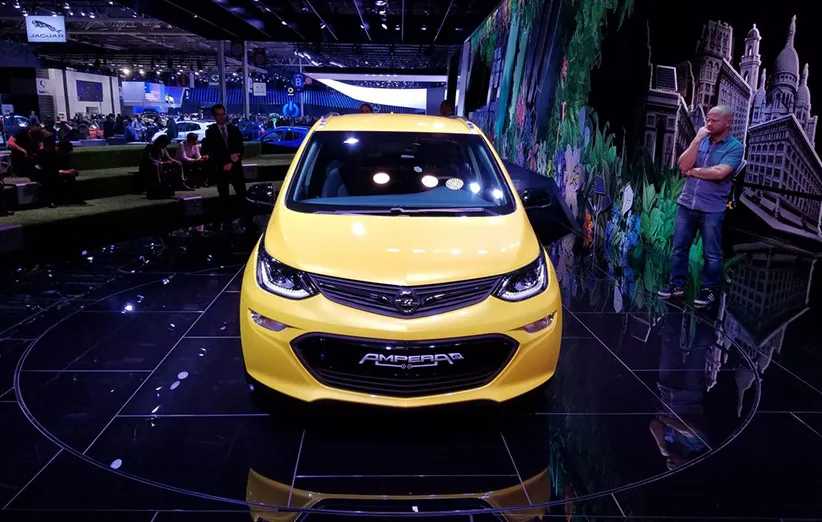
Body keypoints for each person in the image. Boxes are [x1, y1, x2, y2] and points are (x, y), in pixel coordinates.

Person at [658, 105, 744, 307]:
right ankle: (677, 284)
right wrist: (696, 140)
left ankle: (710, 290)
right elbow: (682, 164)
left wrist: (693, 172)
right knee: (679, 248)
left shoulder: (735, 147)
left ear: (728, 123)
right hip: (687, 203)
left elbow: (719, 173)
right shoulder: (702, 140)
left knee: (711, 254)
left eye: (714, 120)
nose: (709, 123)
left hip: (712, 208)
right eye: (708, 119)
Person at [203, 103, 250, 228]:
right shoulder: (210, 132)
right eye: (218, 115)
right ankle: (227, 225)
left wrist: (232, 162)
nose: (221, 117)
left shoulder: (234, 130)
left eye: (223, 114)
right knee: (224, 197)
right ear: (214, 116)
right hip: (221, 169)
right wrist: (227, 161)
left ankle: (247, 223)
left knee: (242, 195)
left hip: (236, 168)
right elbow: (213, 151)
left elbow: (240, 149)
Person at [33, 137, 84, 208]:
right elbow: (46, 169)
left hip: (55, 172)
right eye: (65, 152)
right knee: (50, 178)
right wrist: (65, 172)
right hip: (43, 173)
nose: (65, 154)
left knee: (70, 176)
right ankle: (50, 200)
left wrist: (71, 171)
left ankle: (76, 198)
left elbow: (64, 166)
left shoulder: (64, 156)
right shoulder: (46, 154)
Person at [139, 134, 189, 198]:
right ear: (161, 142)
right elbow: (149, 159)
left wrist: (173, 161)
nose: (165, 146)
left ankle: (181, 183)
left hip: (162, 164)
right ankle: (159, 185)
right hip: (150, 165)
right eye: (165, 144)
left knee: (178, 163)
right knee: (155, 165)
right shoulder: (150, 147)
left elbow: (167, 157)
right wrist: (163, 163)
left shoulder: (163, 148)